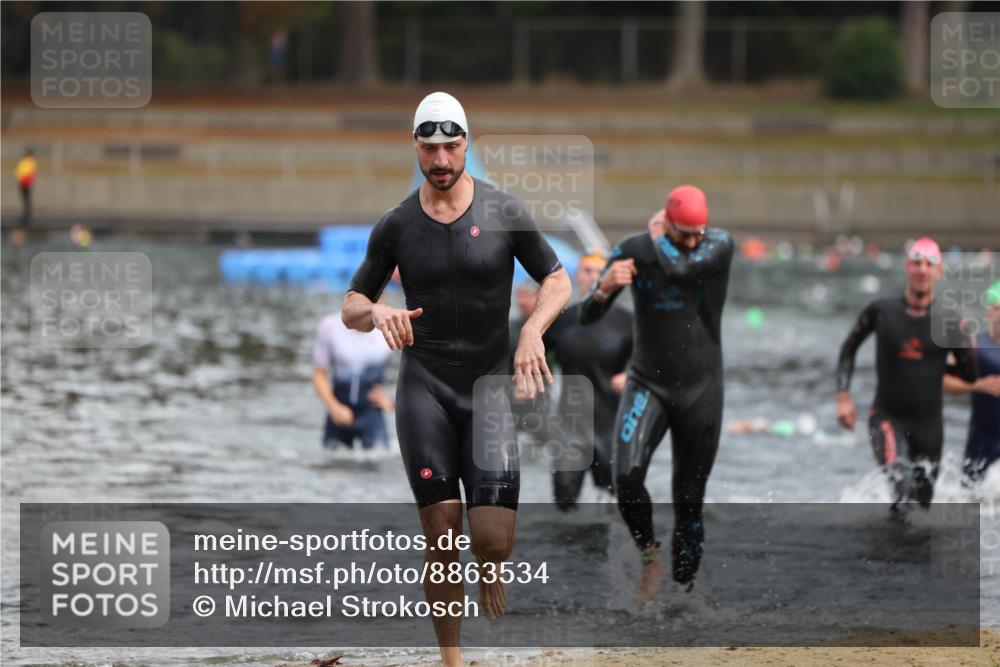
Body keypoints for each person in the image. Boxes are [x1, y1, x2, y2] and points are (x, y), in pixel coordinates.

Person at [341, 91, 571, 667]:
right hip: (425, 385)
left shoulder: (504, 211)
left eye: (450, 146)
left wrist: (532, 332)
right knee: (442, 536)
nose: (440, 159)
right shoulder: (396, 225)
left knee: (492, 539)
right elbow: (350, 305)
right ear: (415, 148)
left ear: (467, 143)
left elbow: (559, 281)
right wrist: (378, 312)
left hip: (491, 387)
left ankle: (490, 562)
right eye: (429, 147)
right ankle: (451, 660)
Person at [581, 184, 733, 604]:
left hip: (702, 391)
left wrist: (657, 238)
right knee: (625, 476)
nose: (691, 241)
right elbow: (587, 316)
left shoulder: (719, 245)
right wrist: (605, 287)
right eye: (683, 233)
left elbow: (681, 267)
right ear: (668, 221)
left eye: (695, 233)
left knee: (688, 501)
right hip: (649, 383)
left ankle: (683, 599)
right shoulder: (634, 249)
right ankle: (651, 560)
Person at [836, 237, 978, 511]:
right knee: (902, 489)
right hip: (887, 419)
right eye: (916, 263)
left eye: (929, 264)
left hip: (930, 429)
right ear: (907, 267)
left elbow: (970, 375)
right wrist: (843, 396)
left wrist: (964, 346)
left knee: (921, 508)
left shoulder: (950, 322)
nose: (922, 270)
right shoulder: (881, 311)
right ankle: (881, 554)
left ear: (938, 271)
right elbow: (849, 348)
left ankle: (901, 550)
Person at [543, 251, 631, 510]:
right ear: (576, 277)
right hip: (569, 424)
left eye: (599, 272)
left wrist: (629, 375)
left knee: (616, 505)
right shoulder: (560, 320)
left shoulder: (626, 322)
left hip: (611, 423)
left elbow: (648, 362)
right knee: (564, 507)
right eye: (587, 271)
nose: (593, 277)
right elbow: (534, 358)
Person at [943, 279, 1000, 484]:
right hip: (981, 445)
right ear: (988, 311)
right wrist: (976, 385)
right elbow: (941, 381)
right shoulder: (974, 346)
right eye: (997, 308)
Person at [311, 311, 394, 450]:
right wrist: (334, 407)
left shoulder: (390, 327)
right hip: (339, 408)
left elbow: (417, 371)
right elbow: (318, 373)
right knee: (331, 466)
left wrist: (393, 403)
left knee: (378, 466)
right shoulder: (330, 326)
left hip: (371, 411)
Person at [12, 148, 37, 245]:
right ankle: (26, 214)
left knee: (26, 199)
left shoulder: (28, 162)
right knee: (26, 199)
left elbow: (28, 173)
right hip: (23, 182)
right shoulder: (28, 162)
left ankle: (27, 214)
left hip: (25, 182)